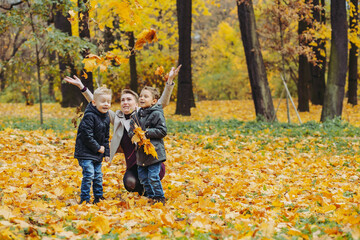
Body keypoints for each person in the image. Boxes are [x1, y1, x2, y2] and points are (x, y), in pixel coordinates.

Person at [64, 65, 181, 195]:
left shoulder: (144, 114)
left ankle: (153, 190)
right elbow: (97, 102)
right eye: (123, 100)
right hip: (133, 165)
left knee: (151, 175)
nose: (125, 102)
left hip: (151, 161)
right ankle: (143, 187)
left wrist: (169, 81)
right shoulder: (117, 118)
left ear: (137, 104)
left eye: (129, 99)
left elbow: (162, 102)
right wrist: (82, 87)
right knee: (130, 184)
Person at [129, 86, 167, 204]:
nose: (142, 98)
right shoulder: (135, 115)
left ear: (154, 101)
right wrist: (134, 136)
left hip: (153, 152)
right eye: (140, 96)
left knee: (153, 177)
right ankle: (150, 196)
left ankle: (159, 197)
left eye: (146, 96)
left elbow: (162, 131)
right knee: (143, 178)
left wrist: (147, 133)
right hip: (141, 153)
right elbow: (131, 130)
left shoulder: (156, 114)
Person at [74, 86, 112, 204]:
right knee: (89, 174)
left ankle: (98, 197)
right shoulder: (89, 116)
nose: (106, 104)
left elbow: (106, 137)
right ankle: (85, 199)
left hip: (97, 153)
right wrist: (98, 148)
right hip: (85, 152)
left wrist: (106, 152)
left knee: (98, 176)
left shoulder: (106, 118)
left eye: (108, 102)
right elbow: (86, 136)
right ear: (94, 102)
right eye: (103, 101)